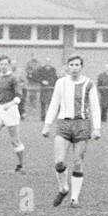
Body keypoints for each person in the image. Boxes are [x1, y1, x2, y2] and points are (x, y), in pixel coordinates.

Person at [41, 56, 100, 207]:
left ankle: (74, 199)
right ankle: (63, 188)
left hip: (82, 124)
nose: (74, 67)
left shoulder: (88, 84)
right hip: (64, 124)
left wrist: (97, 128)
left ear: (81, 67)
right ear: (67, 67)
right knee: (59, 162)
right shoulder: (61, 83)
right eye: (71, 65)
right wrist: (47, 125)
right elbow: (54, 103)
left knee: (77, 162)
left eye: (77, 65)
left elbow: (95, 107)